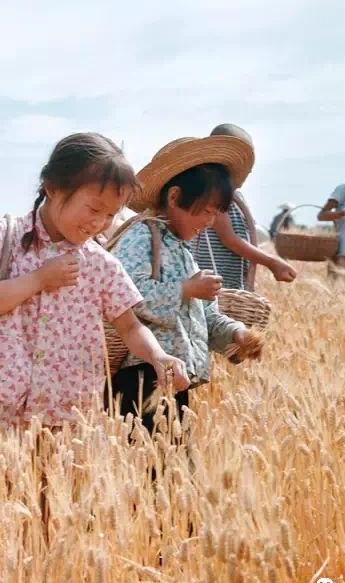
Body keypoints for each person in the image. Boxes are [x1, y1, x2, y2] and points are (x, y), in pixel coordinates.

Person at [0, 132, 189, 428]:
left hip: (71, 416)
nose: (99, 223)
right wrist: (39, 279)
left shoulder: (101, 264)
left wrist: (158, 355)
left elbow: (130, 326)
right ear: (52, 188)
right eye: (94, 209)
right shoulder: (5, 238)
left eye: (110, 215)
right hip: (4, 409)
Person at [106, 132, 263, 433]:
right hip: (142, 374)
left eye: (216, 214)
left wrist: (237, 335)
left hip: (177, 378)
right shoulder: (143, 237)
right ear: (175, 197)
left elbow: (206, 317)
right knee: (151, 465)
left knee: (172, 466)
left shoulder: (185, 253)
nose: (209, 222)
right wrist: (184, 290)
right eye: (205, 211)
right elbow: (124, 296)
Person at [193, 125, 297, 289]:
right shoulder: (213, 190)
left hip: (228, 276)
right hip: (214, 279)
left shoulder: (235, 196)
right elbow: (230, 239)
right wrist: (272, 262)